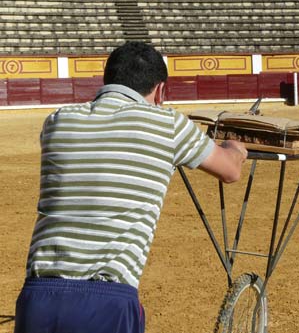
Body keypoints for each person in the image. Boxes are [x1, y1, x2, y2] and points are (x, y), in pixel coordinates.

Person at [14, 41, 248, 333]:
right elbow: (230, 171)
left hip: (37, 297)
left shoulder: (58, 121)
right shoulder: (169, 125)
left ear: (107, 79)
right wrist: (234, 146)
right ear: (161, 90)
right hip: (106, 301)